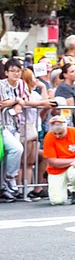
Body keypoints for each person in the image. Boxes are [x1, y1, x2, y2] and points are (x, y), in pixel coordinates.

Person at [42, 115, 75, 205]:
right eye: (55, 133)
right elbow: (52, 161)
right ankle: (63, 189)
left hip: (74, 166)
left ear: (66, 129)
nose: (57, 136)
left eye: (60, 133)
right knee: (57, 201)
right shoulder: (48, 137)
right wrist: (73, 161)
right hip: (56, 170)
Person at [20, 68, 52, 201]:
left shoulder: (34, 93)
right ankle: (20, 189)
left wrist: (43, 87)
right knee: (23, 162)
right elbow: (28, 103)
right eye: (32, 77)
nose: (35, 80)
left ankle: (28, 189)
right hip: (23, 128)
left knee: (30, 162)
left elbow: (46, 103)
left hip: (35, 129)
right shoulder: (22, 93)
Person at [0, 59, 27, 197]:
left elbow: (26, 99)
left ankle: (5, 186)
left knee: (8, 154)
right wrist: (17, 101)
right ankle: (10, 178)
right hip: (2, 125)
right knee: (16, 148)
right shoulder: (1, 85)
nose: (16, 74)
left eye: (18, 71)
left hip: (15, 124)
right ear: (6, 72)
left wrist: (19, 103)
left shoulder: (22, 84)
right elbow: (3, 103)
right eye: (13, 71)